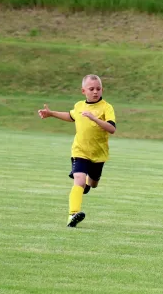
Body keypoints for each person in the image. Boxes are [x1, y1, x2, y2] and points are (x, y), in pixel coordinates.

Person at [37, 74, 116, 228]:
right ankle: (73, 214)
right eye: (91, 89)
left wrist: (94, 119)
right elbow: (71, 116)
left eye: (98, 89)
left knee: (92, 184)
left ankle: (86, 185)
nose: (95, 92)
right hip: (80, 151)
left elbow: (112, 128)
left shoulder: (107, 107)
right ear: (83, 91)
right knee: (78, 179)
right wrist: (51, 113)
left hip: (99, 154)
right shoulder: (79, 106)